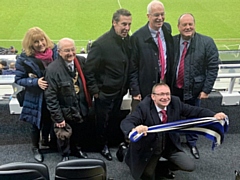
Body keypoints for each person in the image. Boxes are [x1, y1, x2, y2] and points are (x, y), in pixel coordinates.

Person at [121, 83, 226, 180]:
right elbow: (127, 122)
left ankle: (161, 167)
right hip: (151, 147)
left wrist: (213, 115)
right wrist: (134, 129)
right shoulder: (144, 107)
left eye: (167, 94)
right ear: (153, 97)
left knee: (189, 166)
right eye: (161, 94)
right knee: (146, 176)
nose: (165, 97)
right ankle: (126, 152)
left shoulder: (175, 102)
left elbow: (194, 111)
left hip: (170, 145)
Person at [84, 8, 132, 161]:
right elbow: (89, 70)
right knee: (102, 121)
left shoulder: (127, 41)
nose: (127, 28)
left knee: (113, 118)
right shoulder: (101, 44)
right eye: (123, 24)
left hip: (120, 91)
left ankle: (110, 141)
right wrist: (96, 91)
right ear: (114, 23)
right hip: (105, 93)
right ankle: (101, 145)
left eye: (129, 24)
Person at [171, 13, 219, 159]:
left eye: (190, 24)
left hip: (194, 90)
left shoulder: (206, 42)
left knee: (194, 118)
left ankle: (192, 143)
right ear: (178, 27)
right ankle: (175, 144)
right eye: (184, 25)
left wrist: (206, 89)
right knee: (173, 117)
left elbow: (213, 67)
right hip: (173, 89)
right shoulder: (172, 42)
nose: (188, 27)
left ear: (194, 25)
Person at [14, 27, 58, 162]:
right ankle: (35, 147)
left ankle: (46, 141)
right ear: (30, 44)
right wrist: (35, 81)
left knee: (50, 119)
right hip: (35, 97)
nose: (40, 44)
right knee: (35, 123)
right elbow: (18, 79)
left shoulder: (55, 52)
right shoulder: (24, 59)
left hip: (52, 94)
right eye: (36, 42)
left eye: (42, 40)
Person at [44, 38, 91, 161]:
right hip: (64, 110)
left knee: (79, 131)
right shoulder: (52, 70)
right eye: (66, 50)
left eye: (72, 49)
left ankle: (77, 149)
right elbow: (51, 97)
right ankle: (65, 154)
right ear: (59, 52)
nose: (71, 53)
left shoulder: (81, 62)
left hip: (80, 107)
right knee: (64, 135)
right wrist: (58, 117)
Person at [129, 0, 174, 111]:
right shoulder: (137, 37)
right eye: (156, 15)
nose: (160, 18)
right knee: (144, 117)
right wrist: (135, 90)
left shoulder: (167, 29)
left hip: (164, 84)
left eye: (162, 14)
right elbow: (132, 67)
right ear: (148, 16)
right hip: (146, 87)